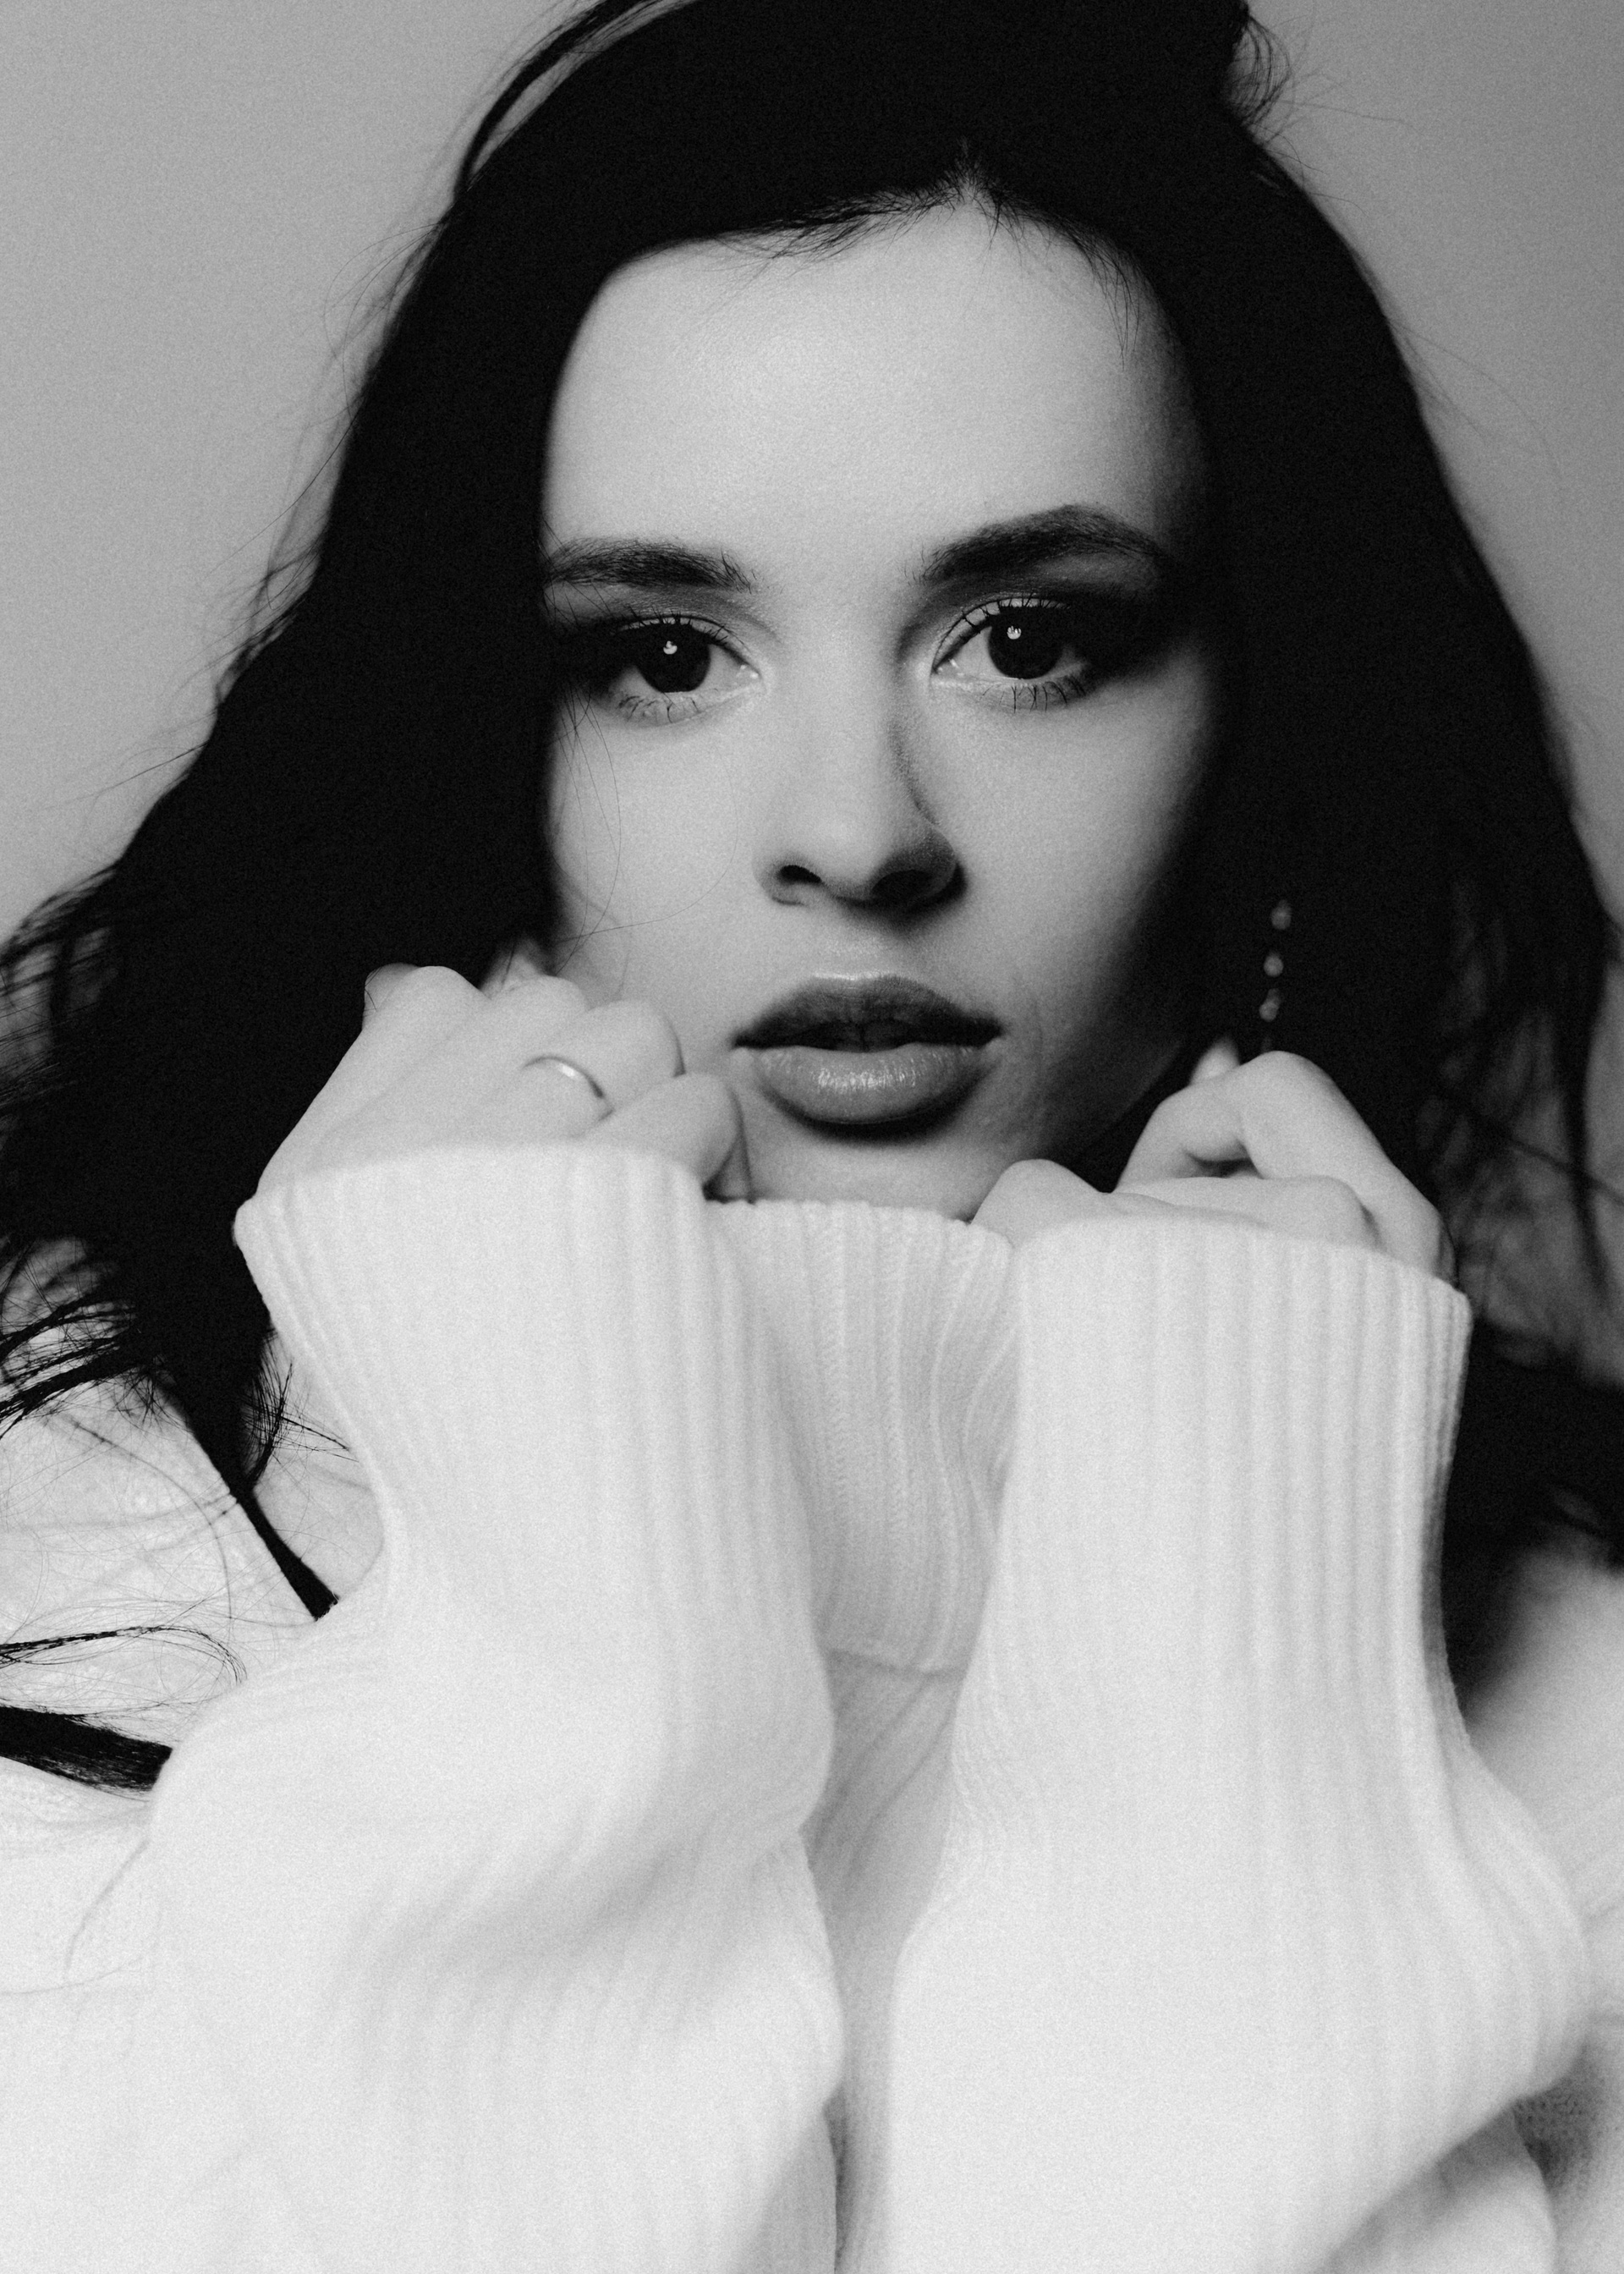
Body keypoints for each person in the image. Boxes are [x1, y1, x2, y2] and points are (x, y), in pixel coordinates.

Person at [3, 0, 1622, 2263]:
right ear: (487, 748)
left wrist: (1239, 1607)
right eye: (666, 657)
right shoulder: (69, 1579)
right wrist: (539, 1613)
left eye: (1030, 640)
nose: (858, 835)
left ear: (1270, 738)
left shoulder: (1584, 1707)